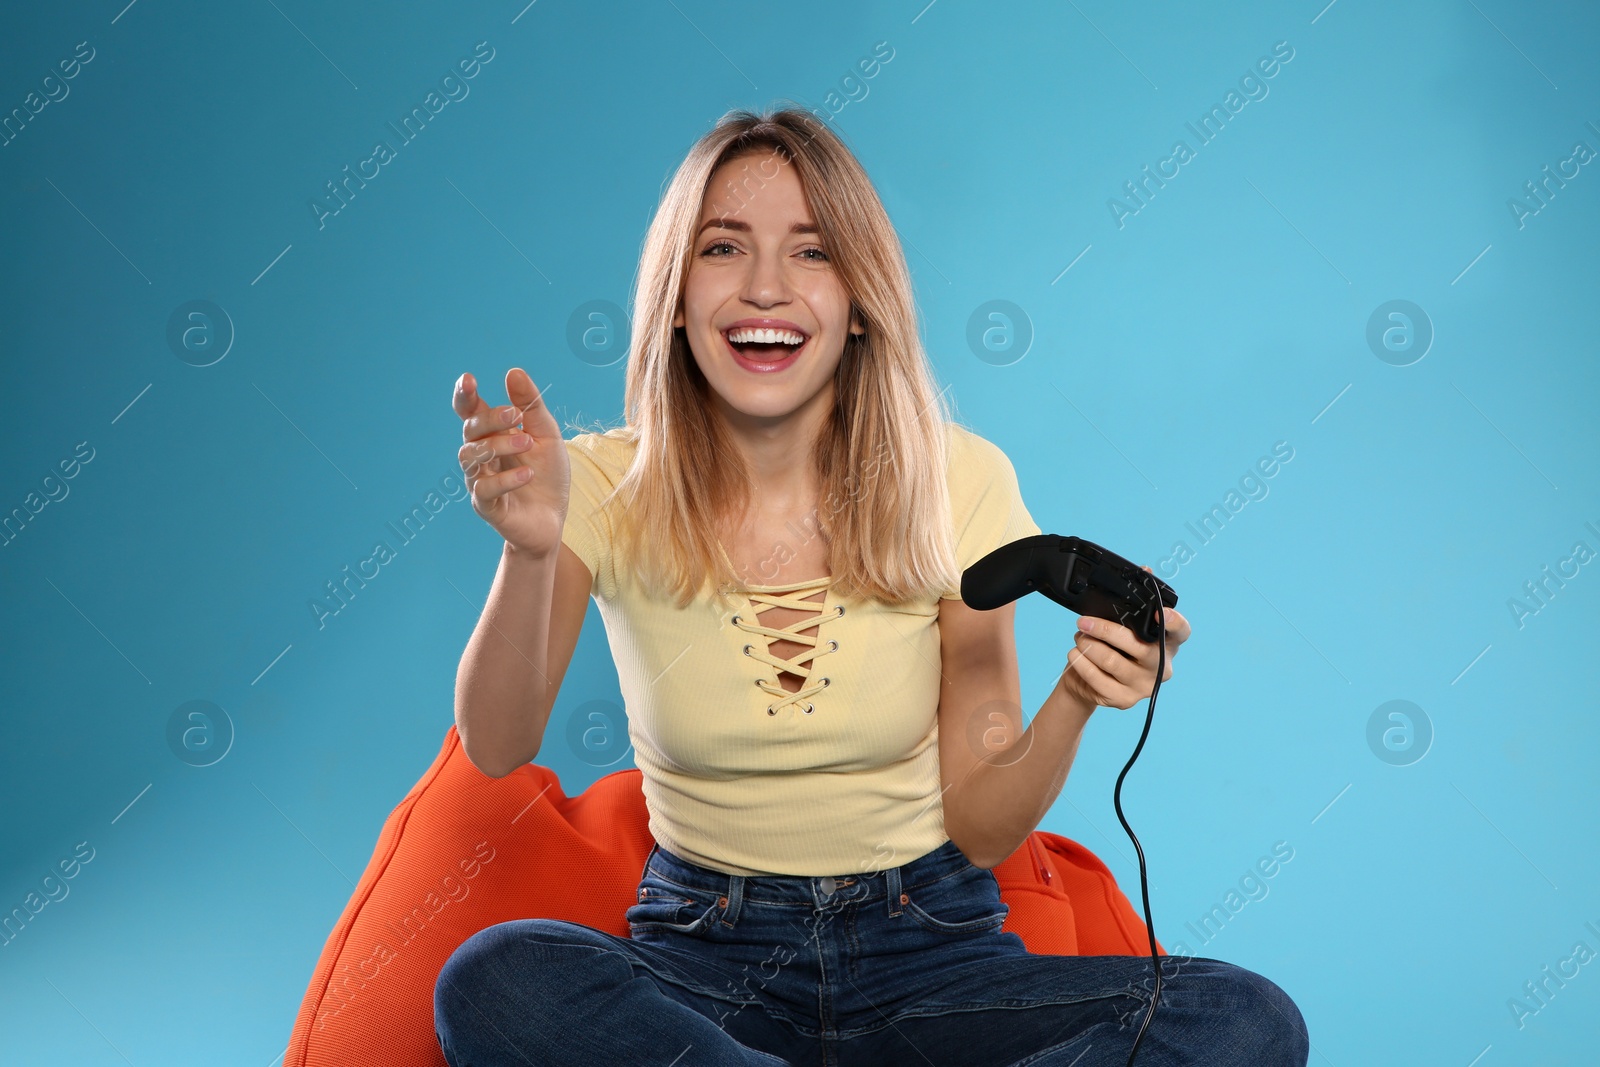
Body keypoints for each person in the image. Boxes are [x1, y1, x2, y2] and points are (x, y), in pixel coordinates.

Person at [434, 105, 1309, 1067]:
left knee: (1245, 1020)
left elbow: (980, 822)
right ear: (676, 296)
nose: (765, 286)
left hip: (930, 956)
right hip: (706, 956)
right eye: (724, 247)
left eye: (811, 253)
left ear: (860, 302)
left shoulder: (961, 479)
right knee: (496, 977)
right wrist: (529, 550)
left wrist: (1075, 698)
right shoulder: (597, 481)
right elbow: (498, 740)